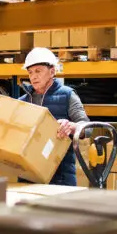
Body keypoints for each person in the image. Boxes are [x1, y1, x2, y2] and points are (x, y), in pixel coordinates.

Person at [19, 47, 89, 186]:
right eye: (30, 72)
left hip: (60, 177)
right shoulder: (22, 102)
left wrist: (71, 126)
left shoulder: (67, 95)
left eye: (38, 71)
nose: (33, 76)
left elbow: (87, 128)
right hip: (28, 177)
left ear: (52, 72)